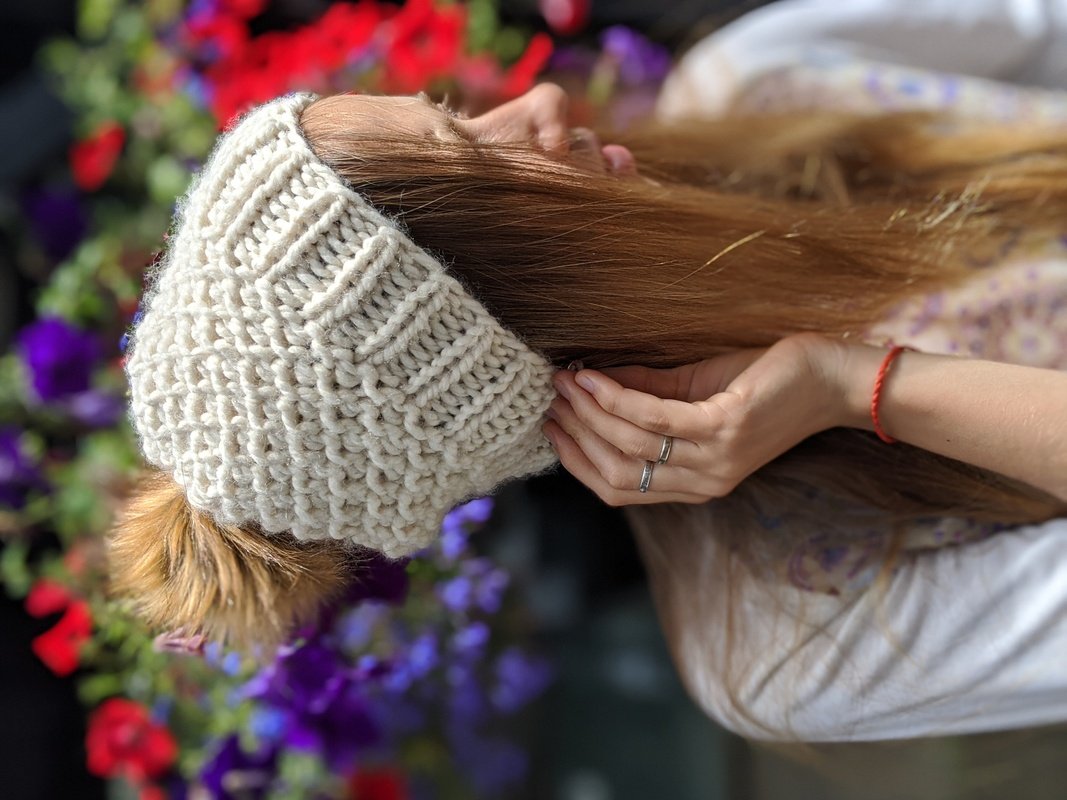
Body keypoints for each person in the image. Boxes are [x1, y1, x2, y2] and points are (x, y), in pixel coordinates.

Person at [112, 0, 1067, 741]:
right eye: (478, 161)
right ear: (503, 327)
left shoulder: (757, 91)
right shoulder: (794, 634)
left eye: (453, 110)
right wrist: (860, 388)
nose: (540, 104)